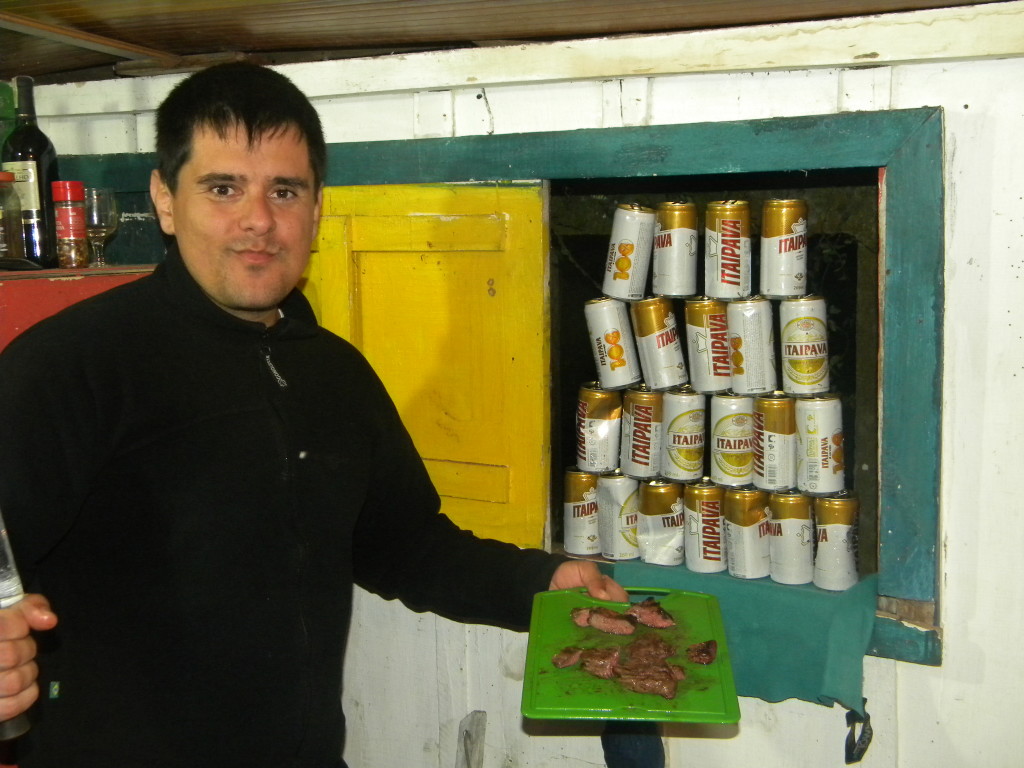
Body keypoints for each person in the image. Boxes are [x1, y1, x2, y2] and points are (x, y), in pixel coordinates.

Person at [0, 62, 627, 767]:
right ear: (165, 201)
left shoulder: (334, 374)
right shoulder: (73, 365)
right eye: (223, 188)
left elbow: (404, 545)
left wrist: (540, 583)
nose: (259, 220)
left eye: (285, 191)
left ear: (317, 210)